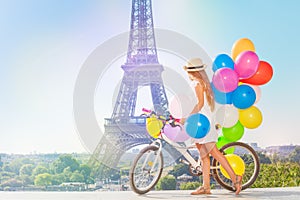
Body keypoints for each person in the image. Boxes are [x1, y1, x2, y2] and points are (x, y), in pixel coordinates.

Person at [181, 58, 242, 195]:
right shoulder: (204, 83)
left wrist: (187, 118)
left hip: (202, 124)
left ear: (191, 72)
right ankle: (206, 187)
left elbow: (200, 104)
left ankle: (235, 178)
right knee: (205, 156)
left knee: (214, 154)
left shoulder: (197, 83)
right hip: (205, 122)